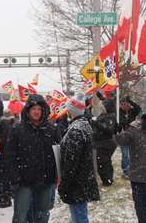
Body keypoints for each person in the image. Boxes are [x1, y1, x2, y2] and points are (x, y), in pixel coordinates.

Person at [6, 94, 60, 223]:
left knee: (42, 214)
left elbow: (58, 154)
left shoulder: (52, 129)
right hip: (23, 181)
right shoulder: (17, 129)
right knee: (21, 216)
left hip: (46, 180)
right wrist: (15, 177)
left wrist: (57, 175)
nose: (36, 112)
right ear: (28, 111)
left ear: (43, 111)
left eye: (39, 109)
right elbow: (9, 155)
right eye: (33, 109)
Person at [58, 93, 100, 223]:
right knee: (79, 215)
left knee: (79, 217)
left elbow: (71, 162)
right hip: (82, 179)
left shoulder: (76, 130)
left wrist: (64, 184)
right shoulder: (83, 125)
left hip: (77, 182)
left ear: (71, 110)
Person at [91, 97, 117, 186]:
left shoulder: (111, 116)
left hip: (105, 143)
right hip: (100, 143)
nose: (102, 108)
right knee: (105, 162)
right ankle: (108, 179)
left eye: (103, 107)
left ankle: (107, 180)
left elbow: (109, 130)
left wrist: (96, 123)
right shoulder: (103, 115)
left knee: (103, 163)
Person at [119, 96, 141, 179]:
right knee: (125, 155)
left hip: (133, 136)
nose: (124, 105)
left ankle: (132, 170)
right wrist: (128, 123)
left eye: (125, 104)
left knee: (132, 154)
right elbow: (121, 122)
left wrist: (131, 101)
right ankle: (126, 171)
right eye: (122, 104)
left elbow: (139, 109)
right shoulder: (119, 113)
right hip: (123, 136)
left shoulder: (132, 111)